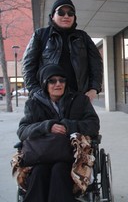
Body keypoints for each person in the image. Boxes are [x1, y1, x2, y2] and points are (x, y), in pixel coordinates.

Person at [17, 64, 100, 202]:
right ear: (44, 83)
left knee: (59, 170)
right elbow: (22, 131)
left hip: (71, 155)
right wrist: (47, 126)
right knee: (39, 172)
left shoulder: (80, 100)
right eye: (52, 80)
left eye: (62, 80)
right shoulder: (33, 104)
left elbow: (93, 125)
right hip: (42, 155)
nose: (58, 84)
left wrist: (68, 126)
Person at [22, 0, 103, 101]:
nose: (66, 16)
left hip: (77, 99)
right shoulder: (41, 35)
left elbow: (96, 64)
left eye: (70, 13)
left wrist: (94, 89)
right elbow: (28, 66)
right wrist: (35, 91)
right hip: (48, 100)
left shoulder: (83, 37)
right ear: (52, 16)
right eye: (61, 12)